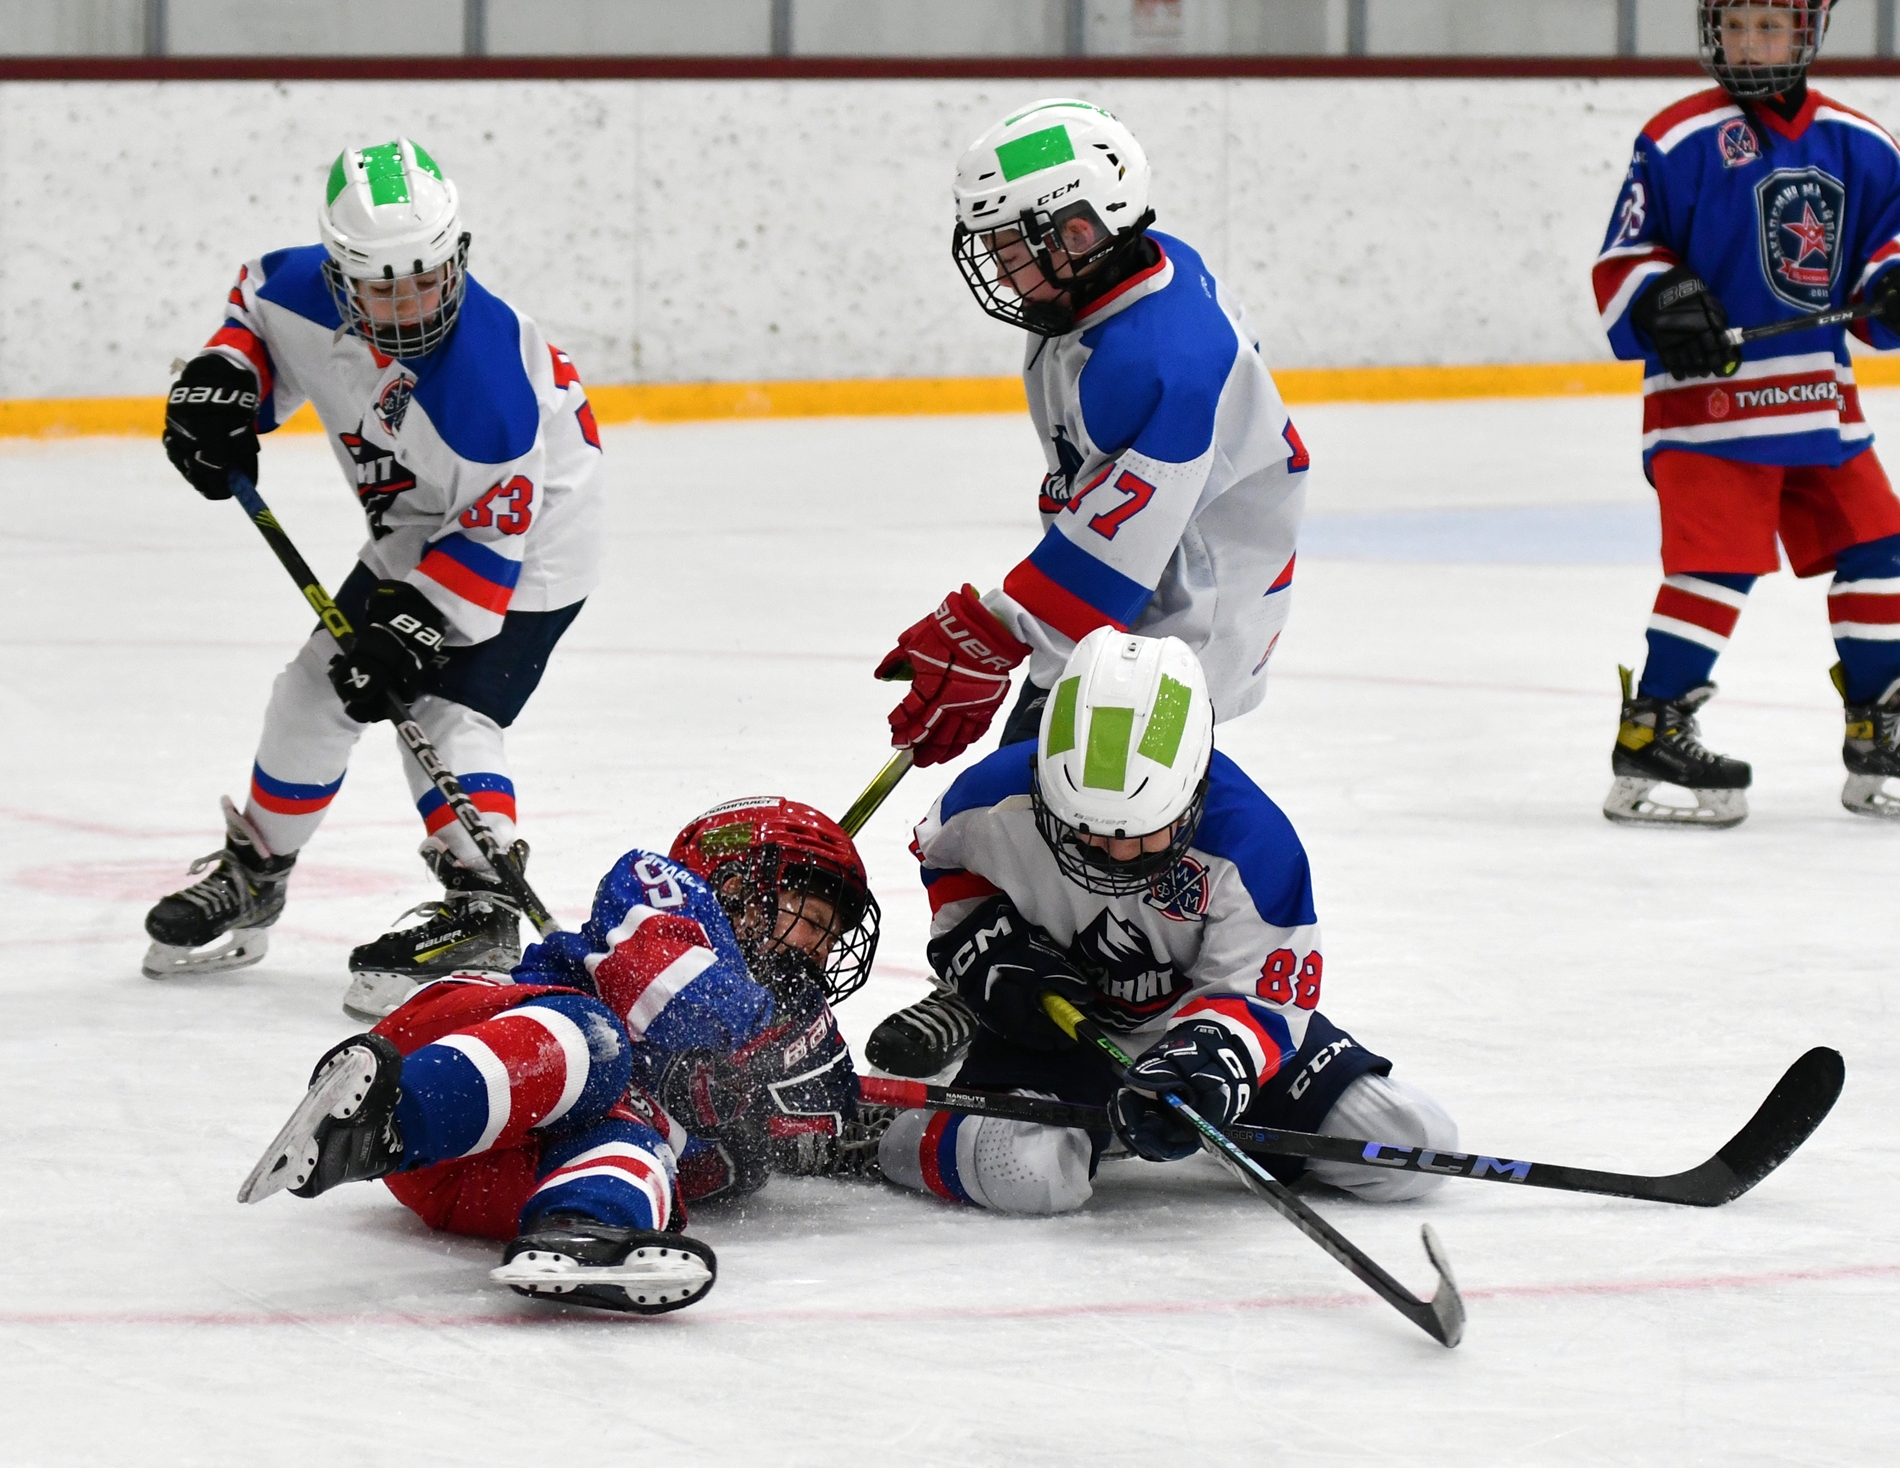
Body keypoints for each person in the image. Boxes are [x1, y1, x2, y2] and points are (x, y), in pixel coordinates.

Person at [868, 97, 1310, 1075]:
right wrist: (1007, 632)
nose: (999, 267)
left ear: (1080, 231)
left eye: (1013, 245)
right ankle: (1007, 972)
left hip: (1193, 597)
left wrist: (994, 630)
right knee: (1043, 775)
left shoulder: (1160, 358)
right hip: (1149, 564)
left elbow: (1113, 563)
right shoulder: (1102, 291)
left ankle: (1085, 990)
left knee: (1086, 790)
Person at [142, 137, 605, 1015]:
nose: (412, 306)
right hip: (419, 517)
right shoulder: (299, 287)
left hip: (534, 534)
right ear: (340, 276)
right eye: (385, 290)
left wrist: (415, 629)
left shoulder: (485, 389)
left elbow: (494, 530)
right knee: (312, 692)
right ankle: (254, 872)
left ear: (457, 255)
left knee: (443, 709)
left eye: (428, 280)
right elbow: (253, 312)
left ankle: (485, 905)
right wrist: (224, 377)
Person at [875, 631, 1455, 1217]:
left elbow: (1266, 996)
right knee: (1022, 1172)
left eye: (1141, 830)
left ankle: (1142, 1121)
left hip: (1200, 1031)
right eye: (1084, 827)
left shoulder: (1255, 844)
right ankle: (889, 1124)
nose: (1113, 854)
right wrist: (984, 945)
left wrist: (1213, 1064)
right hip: (1060, 1035)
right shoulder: (987, 799)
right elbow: (949, 868)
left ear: (1194, 789)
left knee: (1410, 1144)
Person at [239, 797, 883, 1314]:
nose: (822, 947)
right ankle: (378, 1120)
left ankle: (579, 1233)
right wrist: (762, 1059)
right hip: (452, 1057)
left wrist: (840, 1124)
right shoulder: (664, 888)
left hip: (477, 1179)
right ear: (738, 886)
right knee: (596, 1042)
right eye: (812, 918)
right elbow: (669, 988)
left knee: (640, 1141)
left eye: (832, 933)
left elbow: (836, 1121)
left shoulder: (792, 1025)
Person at [1593, 0, 1900, 828]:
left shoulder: (1861, 143)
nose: (1750, 43)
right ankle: (1653, 728)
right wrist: (1661, 295)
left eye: (1771, 25)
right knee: (1716, 565)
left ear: (1809, 30)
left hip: (1819, 402)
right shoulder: (1676, 138)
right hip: (1709, 410)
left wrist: (1893, 284)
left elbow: (1885, 252)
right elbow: (1625, 256)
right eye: (1735, 25)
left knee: (1880, 547)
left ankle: (1881, 727)